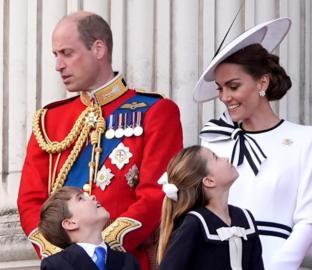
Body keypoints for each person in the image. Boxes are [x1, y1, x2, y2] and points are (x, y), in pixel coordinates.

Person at [17, 11, 183, 270]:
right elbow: (30, 201)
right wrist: (63, 255)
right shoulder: (50, 120)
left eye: (67, 53)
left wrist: (100, 248)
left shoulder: (155, 111)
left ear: (98, 49)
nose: (58, 65)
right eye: (56, 55)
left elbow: (156, 194)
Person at [193, 17, 312, 269]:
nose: (224, 97)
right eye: (220, 88)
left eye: (233, 86)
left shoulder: (306, 139)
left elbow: (308, 221)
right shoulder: (214, 141)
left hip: (275, 258)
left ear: (262, 83)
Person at [156, 145, 263, 270]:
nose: (226, 158)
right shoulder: (194, 224)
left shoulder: (244, 218)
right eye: (216, 158)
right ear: (209, 181)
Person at [39, 186, 140, 270]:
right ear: (70, 223)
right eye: (80, 198)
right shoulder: (56, 265)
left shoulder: (128, 261)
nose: (93, 197)